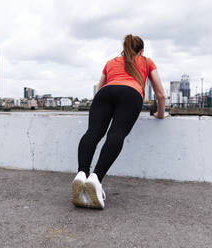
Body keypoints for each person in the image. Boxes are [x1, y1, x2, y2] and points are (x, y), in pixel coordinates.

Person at [71, 34, 166, 209]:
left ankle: (82, 173)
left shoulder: (110, 62)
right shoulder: (146, 61)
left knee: (93, 132)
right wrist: (160, 114)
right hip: (131, 94)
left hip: (104, 94)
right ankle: (96, 178)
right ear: (141, 50)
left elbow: (100, 88)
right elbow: (160, 94)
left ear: (123, 48)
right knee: (116, 134)